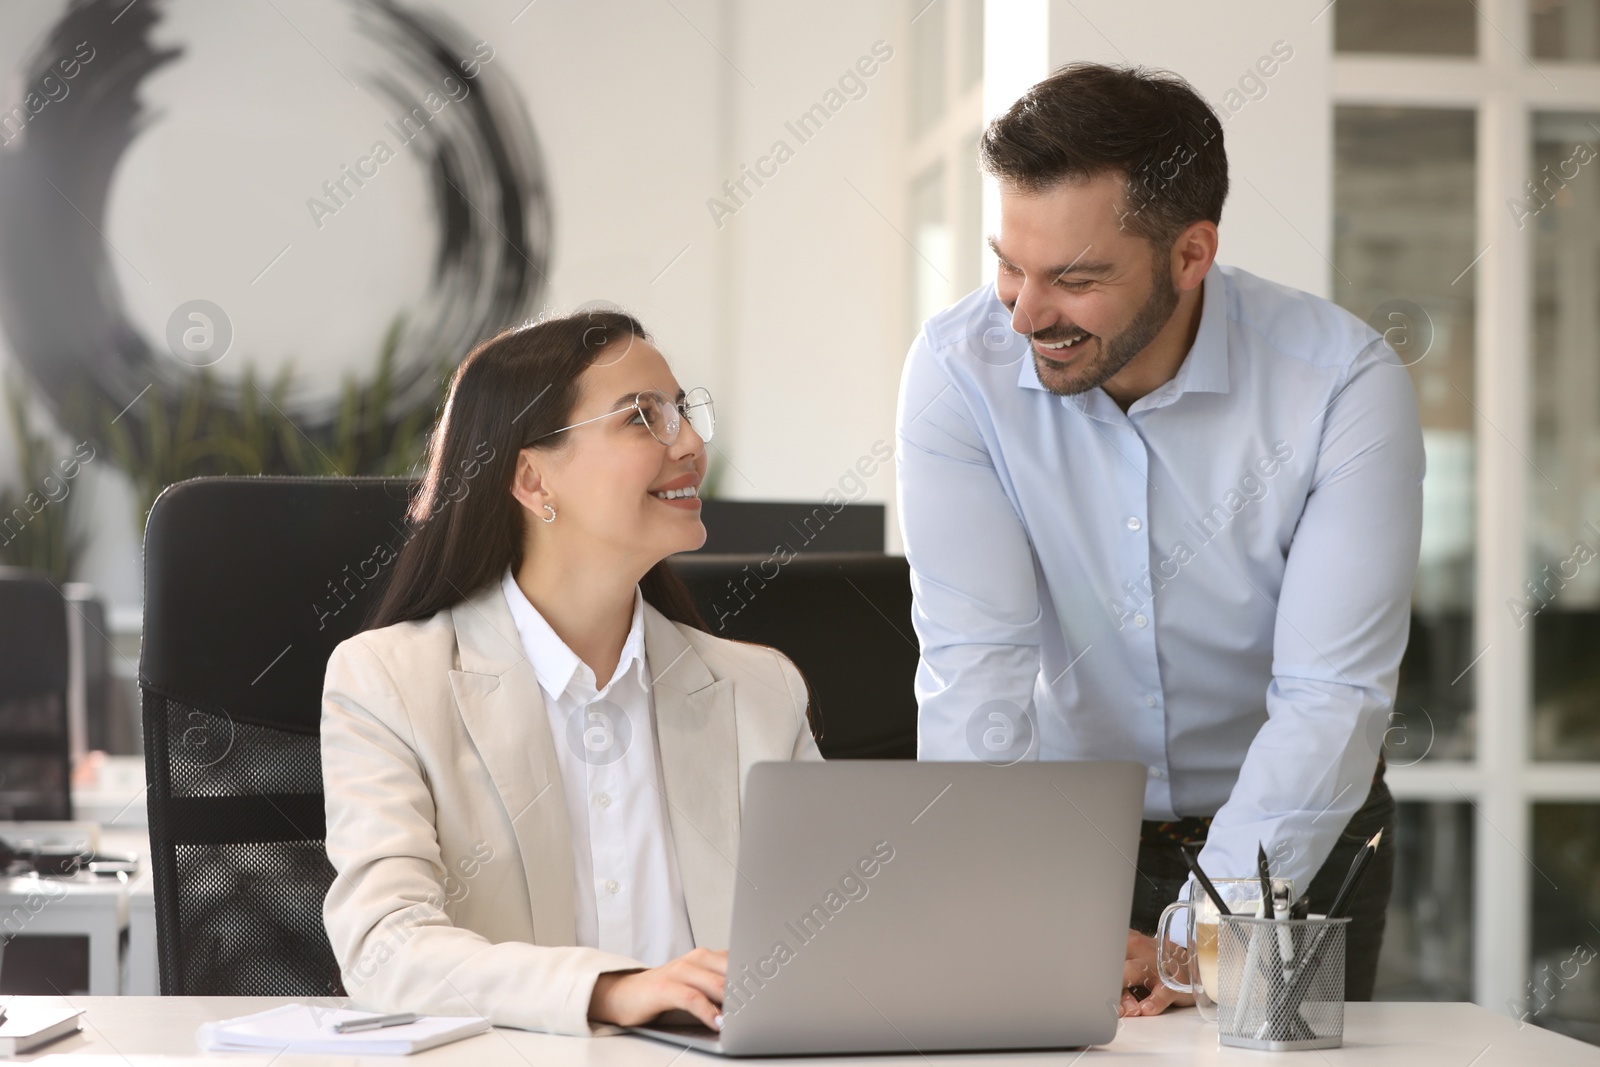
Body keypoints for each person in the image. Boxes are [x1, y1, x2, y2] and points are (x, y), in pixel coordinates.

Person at [896, 63, 1421, 1014]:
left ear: (1191, 254)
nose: (1023, 315)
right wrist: (1020, 907)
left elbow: (1331, 702)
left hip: (1300, 838)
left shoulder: (1342, 384)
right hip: (1063, 833)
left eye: (1075, 279)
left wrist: (1200, 938)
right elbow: (977, 670)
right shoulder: (957, 370)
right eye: (1009, 265)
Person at [320, 311, 822, 1036]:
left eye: (680, 410)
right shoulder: (388, 681)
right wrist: (610, 988)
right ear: (531, 477)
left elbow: (838, 937)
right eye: (641, 417)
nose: (687, 442)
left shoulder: (763, 690)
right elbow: (385, 948)